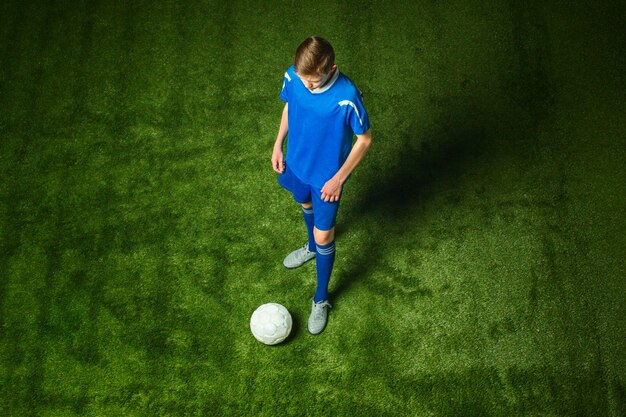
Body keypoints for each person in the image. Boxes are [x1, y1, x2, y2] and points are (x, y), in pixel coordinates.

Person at [271, 36, 372, 335]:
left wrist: (338, 178)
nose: (307, 87)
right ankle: (311, 248)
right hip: (297, 164)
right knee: (304, 202)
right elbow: (290, 105)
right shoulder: (294, 76)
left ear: (331, 69)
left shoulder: (347, 96)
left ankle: (321, 298)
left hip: (328, 178)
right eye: (304, 80)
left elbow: (364, 139)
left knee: (325, 234)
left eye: (313, 82)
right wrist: (278, 144)